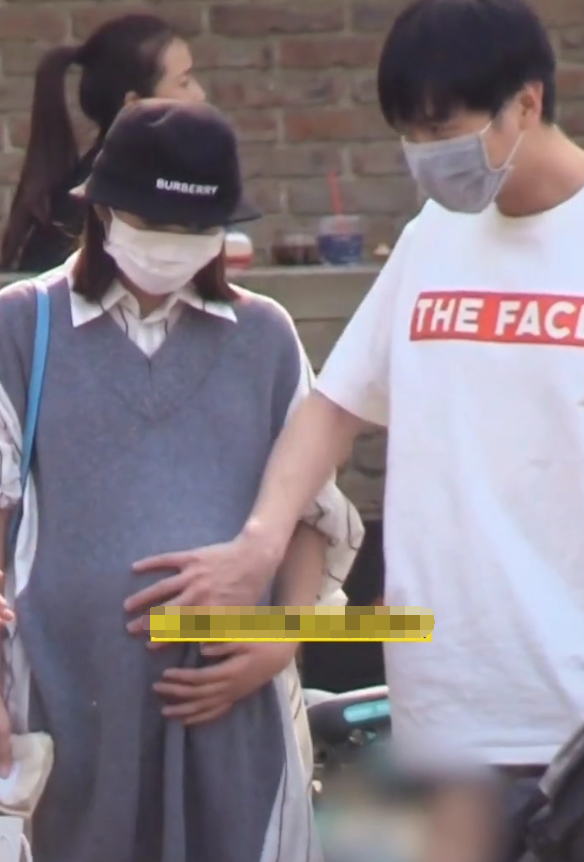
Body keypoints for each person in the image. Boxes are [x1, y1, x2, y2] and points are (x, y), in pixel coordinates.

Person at [126, 0, 584, 856]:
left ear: (527, 103)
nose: (425, 153)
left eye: (441, 129)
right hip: (444, 711)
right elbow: (335, 406)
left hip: (575, 714)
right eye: (408, 134)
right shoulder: (434, 237)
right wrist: (259, 544)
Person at [0, 98, 362, 862]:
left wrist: (280, 640)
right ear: (102, 211)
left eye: (195, 228)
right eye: (153, 223)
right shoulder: (23, 328)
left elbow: (314, 512)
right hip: (66, 708)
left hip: (235, 721)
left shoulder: (264, 337)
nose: (171, 246)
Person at [0, 13, 205, 274]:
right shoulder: (96, 202)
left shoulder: (165, 182)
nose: (200, 95)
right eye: (184, 83)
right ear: (134, 105)